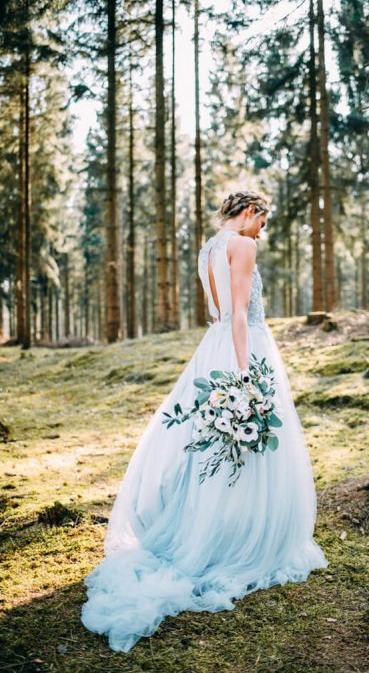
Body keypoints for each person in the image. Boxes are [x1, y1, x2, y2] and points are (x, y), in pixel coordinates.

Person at [81, 190, 328, 653]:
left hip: (209, 347)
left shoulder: (208, 247)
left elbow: (217, 312)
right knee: (239, 442)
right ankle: (238, 538)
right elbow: (238, 314)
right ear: (250, 213)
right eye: (262, 221)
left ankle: (208, 525)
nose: (263, 231)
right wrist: (243, 374)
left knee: (210, 444)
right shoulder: (243, 245)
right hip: (240, 346)